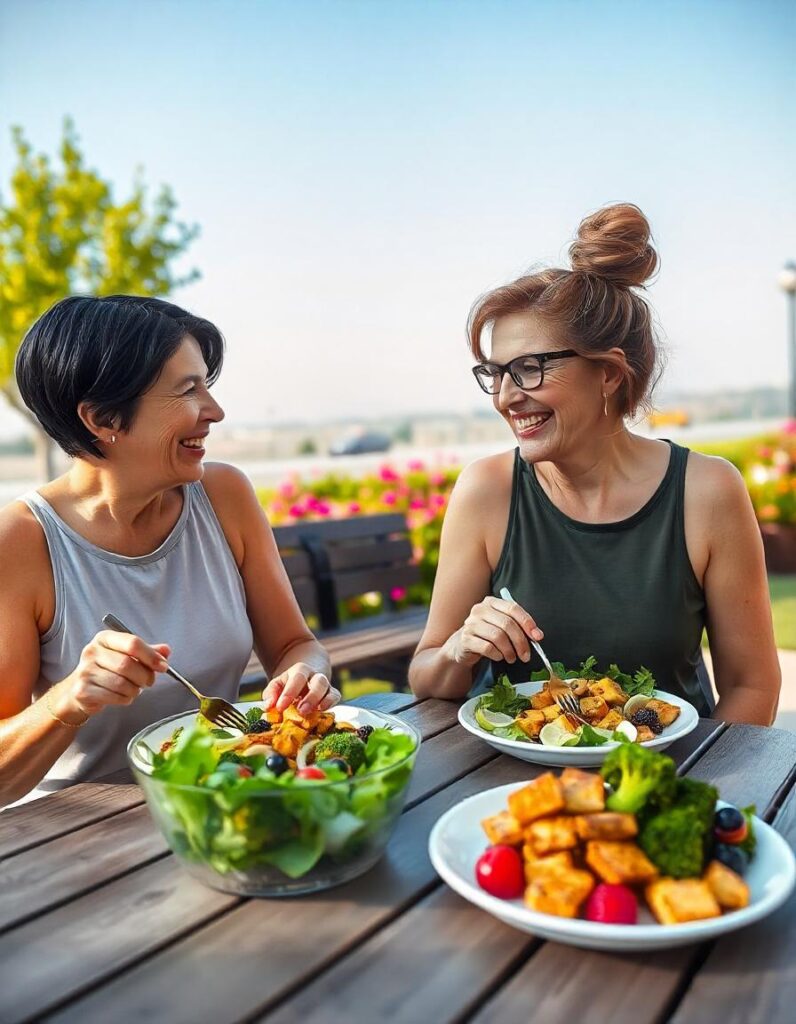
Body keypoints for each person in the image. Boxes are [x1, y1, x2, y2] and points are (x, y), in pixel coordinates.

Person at [409, 203, 781, 725]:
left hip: (673, 774)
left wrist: (678, 789)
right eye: (496, 374)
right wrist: (459, 649)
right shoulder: (486, 490)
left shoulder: (708, 490)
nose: (507, 397)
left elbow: (753, 685)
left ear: (608, 373)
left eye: (531, 369)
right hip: (513, 787)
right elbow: (427, 675)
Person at [0, 295, 337, 808]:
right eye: (188, 390)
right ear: (102, 417)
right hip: (77, 834)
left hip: (223, 803)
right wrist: (71, 697)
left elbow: (295, 644)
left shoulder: (225, 496)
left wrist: (304, 676)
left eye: (208, 384)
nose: (216, 411)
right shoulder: (21, 541)